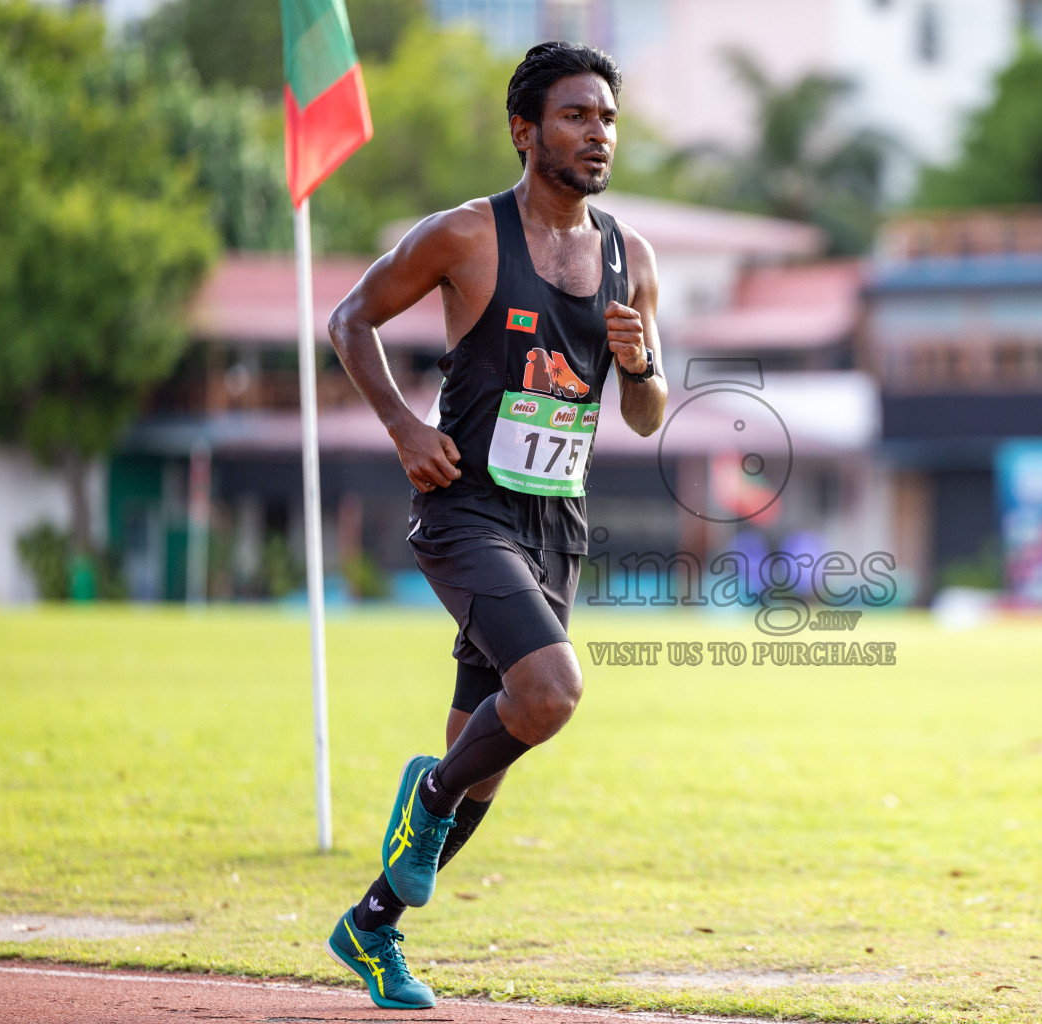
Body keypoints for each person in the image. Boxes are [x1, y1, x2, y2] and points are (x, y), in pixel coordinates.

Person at [321, 41, 666, 1009]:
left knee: (491, 763)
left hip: (557, 526)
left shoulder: (630, 258)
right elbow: (351, 318)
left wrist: (639, 364)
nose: (597, 134)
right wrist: (401, 426)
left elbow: (645, 416)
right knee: (551, 692)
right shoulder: (466, 237)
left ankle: (370, 927)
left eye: (606, 118)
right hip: (466, 510)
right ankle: (422, 799)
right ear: (524, 130)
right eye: (575, 116)